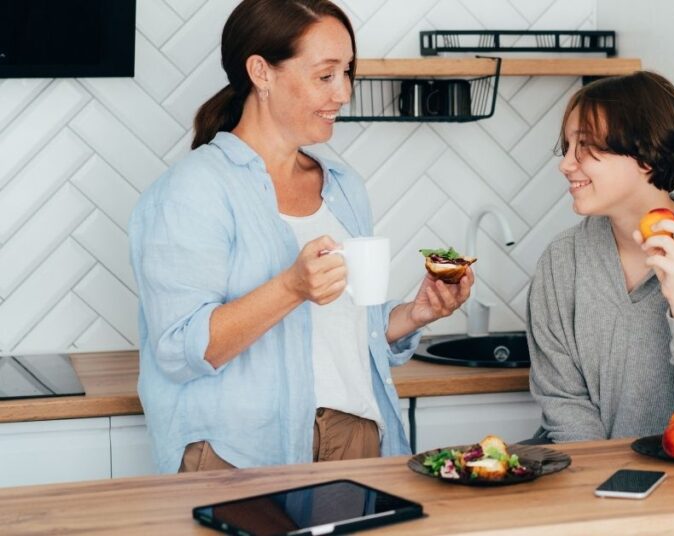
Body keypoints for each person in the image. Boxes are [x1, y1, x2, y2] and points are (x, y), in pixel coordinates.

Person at [129, 0, 472, 473]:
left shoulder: (342, 186)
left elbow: (345, 332)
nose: (344, 93)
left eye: (348, 73)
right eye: (325, 75)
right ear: (261, 72)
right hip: (239, 450)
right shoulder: (195, 189)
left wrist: (415, 314)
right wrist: (291, 287)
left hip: (354, 436)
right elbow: (180, 350)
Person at [526, 71, 674, 443]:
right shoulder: (562, 262)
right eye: (567, 146)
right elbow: (564, 404)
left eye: (587, 146)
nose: (566, 164)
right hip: (586, 479)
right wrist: (609, 486)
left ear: (645, 156)